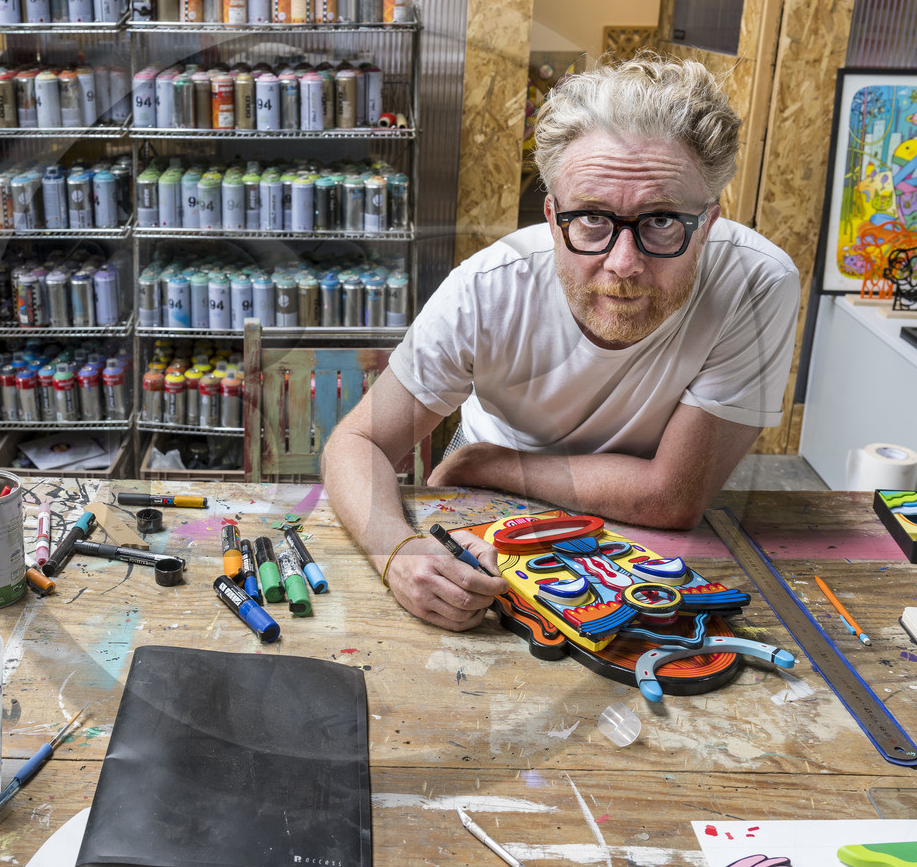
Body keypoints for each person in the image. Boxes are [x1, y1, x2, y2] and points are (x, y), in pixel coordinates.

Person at [321, 53, 800, 631]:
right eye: (591, 220)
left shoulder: (755, 281)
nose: (624, 265)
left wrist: (490, 461)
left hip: (610, 518)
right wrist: (395, 553)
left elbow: (673, 498)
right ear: (551, 217)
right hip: (482, 502)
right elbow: (357, 441)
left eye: (663, 221)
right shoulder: (488, 289)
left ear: (710, 223)